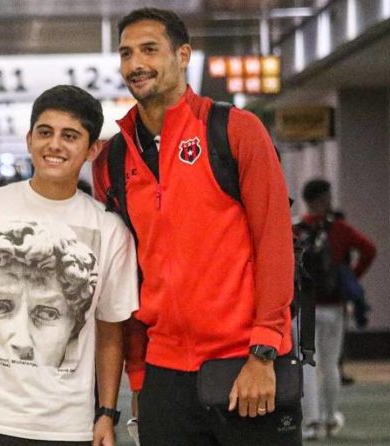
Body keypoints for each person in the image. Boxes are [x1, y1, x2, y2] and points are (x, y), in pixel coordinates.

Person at [92, 8, 300, 445]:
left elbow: (274, 242)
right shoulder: (112, 160)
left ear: (183, 55)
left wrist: (264, 350)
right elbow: (127, 272)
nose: (135, 64)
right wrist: (139, 376)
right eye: (126, 53)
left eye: (150, 49)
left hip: (244, 362)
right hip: (165, 374)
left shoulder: (235, 130)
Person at [0, 85, 139, 446]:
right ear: (29, 140)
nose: (54, 145)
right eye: (45, 132)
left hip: (68, 426)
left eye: (69, 136)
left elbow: (110, 332)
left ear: (92, 150)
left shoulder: (110, 230)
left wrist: (105, 413)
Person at [297, 178, 376, 440]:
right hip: (333, 306)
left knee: (308, 365)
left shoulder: (296, 229)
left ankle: (310, 423)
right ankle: (330, 418)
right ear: (324, 198)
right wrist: (351, 278)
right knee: (330, 365)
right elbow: (369, 250)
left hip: (305, 308)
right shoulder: (339, 229)